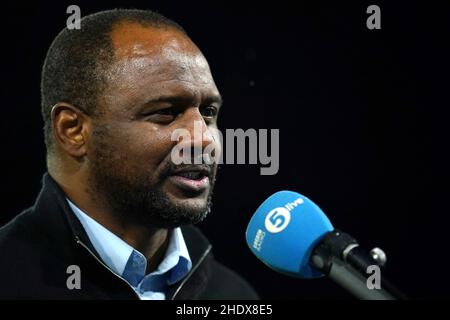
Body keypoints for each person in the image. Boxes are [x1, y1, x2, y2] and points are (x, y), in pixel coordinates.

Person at [0, 9, 258, 300]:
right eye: (166, 113)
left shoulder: (232, 295)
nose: (203, 138)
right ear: (73, 130)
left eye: (208, 113)